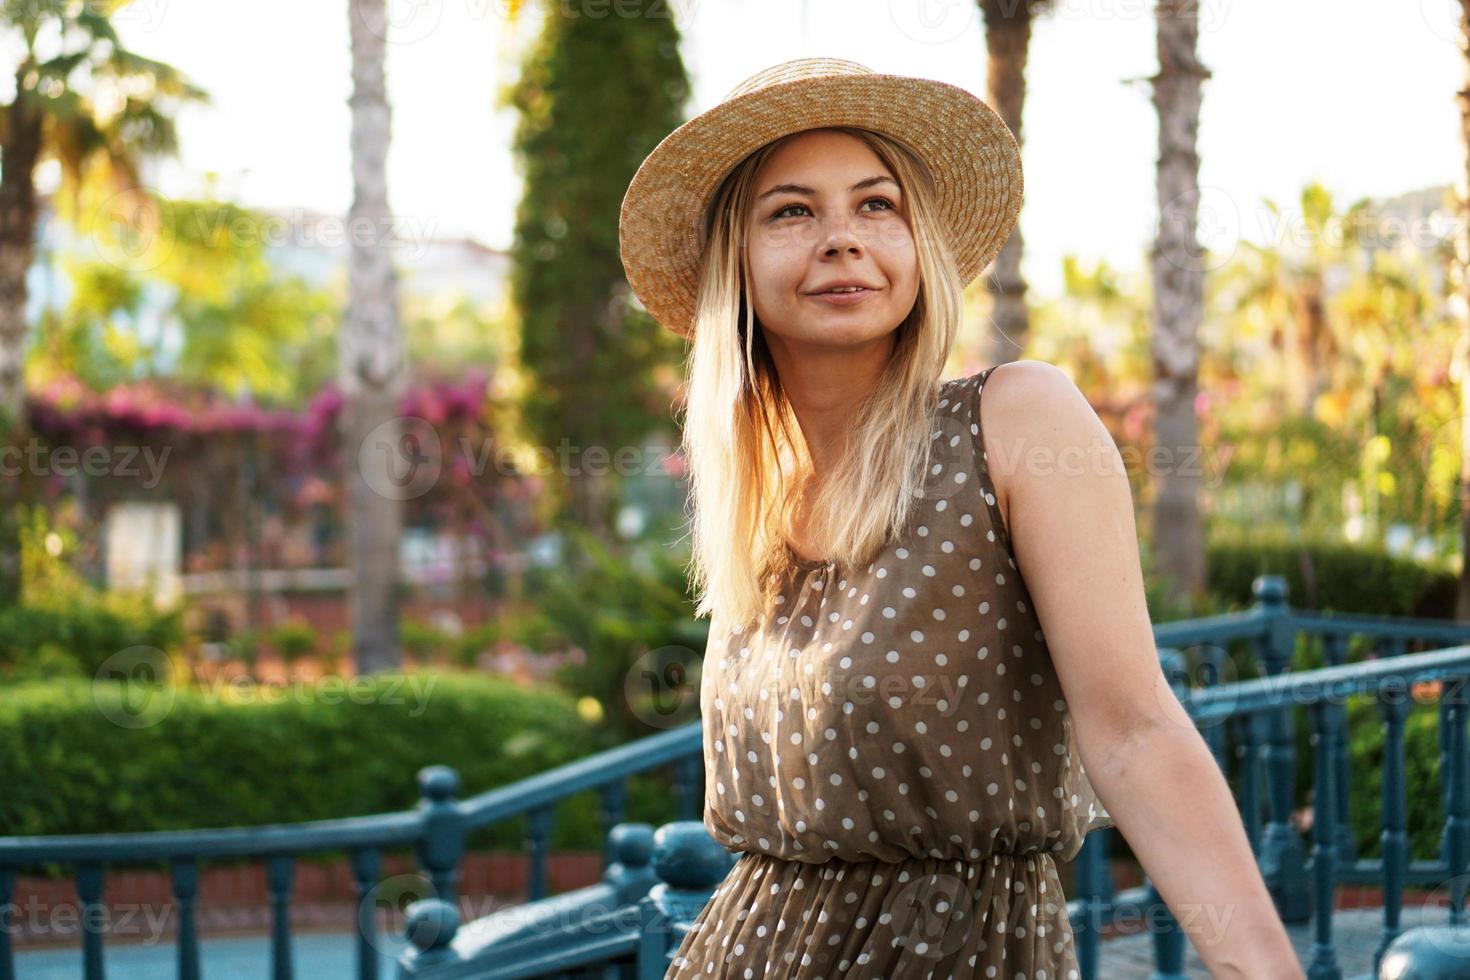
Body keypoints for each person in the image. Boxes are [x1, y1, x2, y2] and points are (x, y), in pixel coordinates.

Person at [619, 57, 1303, 980]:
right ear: (732, 263)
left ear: (918, 244)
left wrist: (1264, 972)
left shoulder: (1014, 420)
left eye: (877, 205)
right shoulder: (763, 499)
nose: (841, 239)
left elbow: (1135, 730)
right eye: (791, 211)